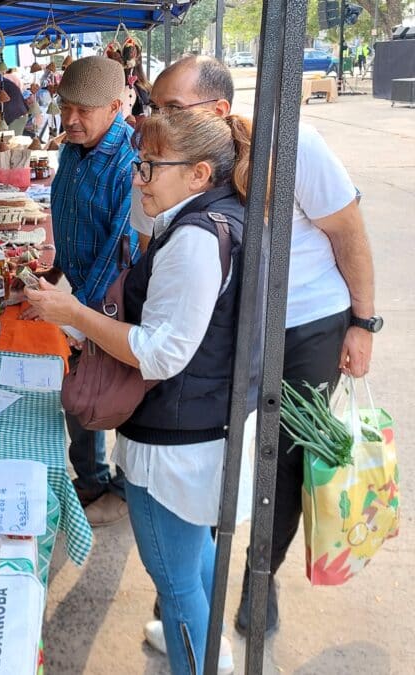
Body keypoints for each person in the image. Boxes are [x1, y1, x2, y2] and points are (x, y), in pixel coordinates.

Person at [142, 55, 378, 636]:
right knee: (214, 446)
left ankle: (258, 574)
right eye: (154, 106)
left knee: (284, 459)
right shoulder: (184, 160)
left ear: (218, 109)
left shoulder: (293, 142)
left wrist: (362, 323)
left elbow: (348, 230)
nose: (157, 117)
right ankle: (197, 575)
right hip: (229, 327)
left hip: (305, 325)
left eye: (172, 107)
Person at [26, 107, 253, 675]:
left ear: (200, 173)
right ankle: (211, 647)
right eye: (138, 165)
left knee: (175, 584)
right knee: (196, 555)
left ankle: (198, 655)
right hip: (199, 423)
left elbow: (161, 351)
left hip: (175, 438)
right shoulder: (208, 217)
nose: (137, 179)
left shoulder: (196, 239)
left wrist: (73, 311)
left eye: (150, 167)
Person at [27, 55, 139, 526]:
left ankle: (125, 488)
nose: (70, 119)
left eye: (84, 111)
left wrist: (78, 314)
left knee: (124, 398)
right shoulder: (70, 152)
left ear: (115, 107)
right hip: (77, 294)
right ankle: (90, 476)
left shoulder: (129, 161)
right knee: (79, 389)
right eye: (66, 106)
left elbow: (119, 245)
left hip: (116, 299)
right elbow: (66, 225)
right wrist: (55, 281)